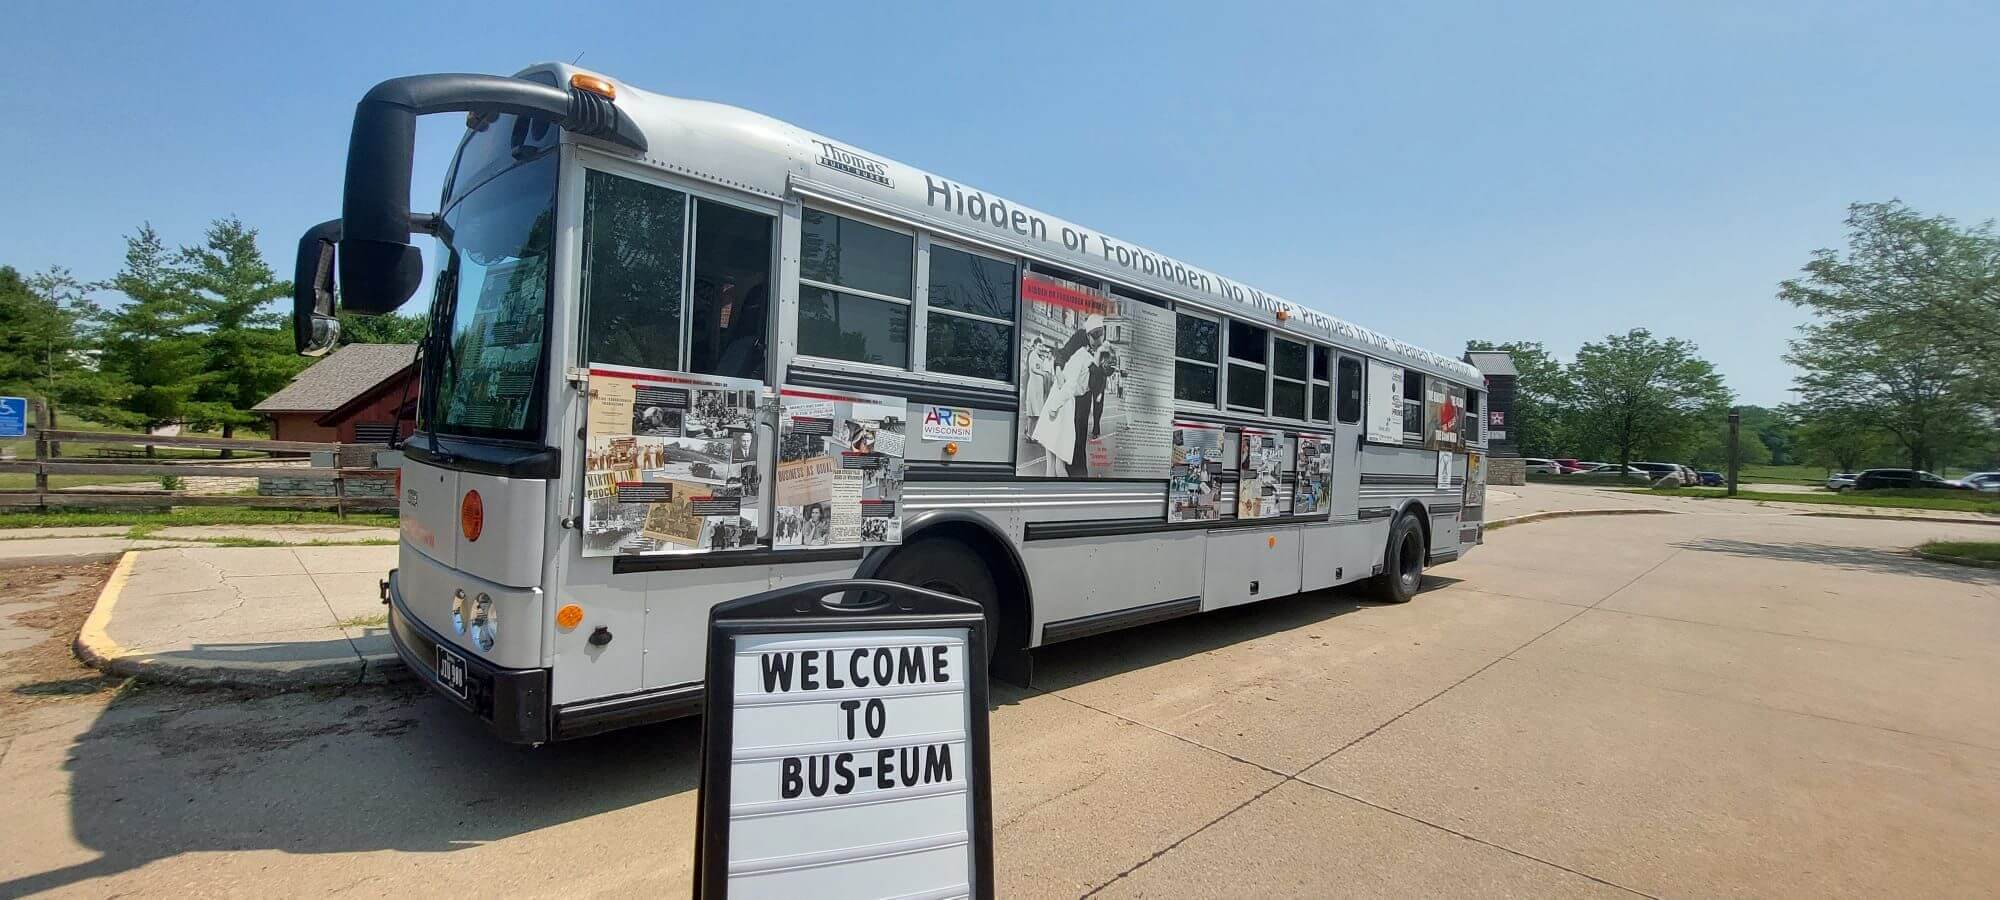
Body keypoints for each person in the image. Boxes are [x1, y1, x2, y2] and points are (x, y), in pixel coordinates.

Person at [1029, 314, 1109, 477]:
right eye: (1093, 343)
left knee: (1075, 441)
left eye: (1098, 343)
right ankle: (1072, 478)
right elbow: (1063, 353)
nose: (1095, 346)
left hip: (1072, 398)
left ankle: (1077, 476)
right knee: (1059, 456)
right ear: (1087, 336)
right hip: (1065, 399)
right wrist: (1058, 368)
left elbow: (1097, 389)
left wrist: (1097, 423)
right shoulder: (1080, 342)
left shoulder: (1102, 353)